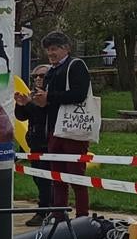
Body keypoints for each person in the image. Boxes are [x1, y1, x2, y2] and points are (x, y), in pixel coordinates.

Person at [15, 31, 92, 221]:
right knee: (56, 177)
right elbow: (44, 105)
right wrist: (29, 102)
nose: (51, 53)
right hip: (53, 130)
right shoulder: (51, 72)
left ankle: (82, 215)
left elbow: (79, 94)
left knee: (76, 176)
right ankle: (58, 213)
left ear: (66, 48)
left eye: (55, 48)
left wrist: (50, 97)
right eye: (49, 50)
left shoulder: (76, 65)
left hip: (72, 130)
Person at [15, 64, 53, 226]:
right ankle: (49, 208)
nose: (37, 79)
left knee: (45, 180)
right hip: (35, 143)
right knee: (38, 178)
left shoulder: (50, 96)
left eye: (42, 76)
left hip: (47, 144)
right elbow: (22, 117)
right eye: (35, 76)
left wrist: (29, 104)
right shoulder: (32, 95)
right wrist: (20, 104)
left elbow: (42, 115)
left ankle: (45, 210)